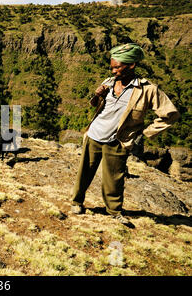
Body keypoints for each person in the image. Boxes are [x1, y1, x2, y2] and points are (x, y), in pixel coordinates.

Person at [70, 43, 180, 225]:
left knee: (114, 179)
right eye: (112, 67)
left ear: (131, 66)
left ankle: (114, 211)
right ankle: (77, 202)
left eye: (117, 67)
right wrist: (97, 95)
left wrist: (146, 132)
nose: (113, 71)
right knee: (85, 172)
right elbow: (96, 105)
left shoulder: (147, 90)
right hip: (94, 135)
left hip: (117, 141)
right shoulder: (108, 82)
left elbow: (171, 114)